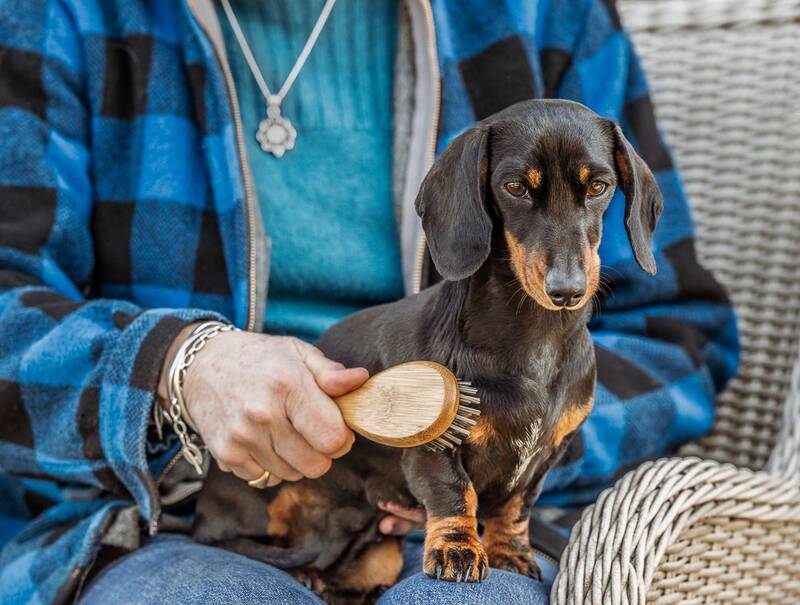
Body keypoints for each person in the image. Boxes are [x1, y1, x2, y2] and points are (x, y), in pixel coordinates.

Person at [0, 0, 739, 603]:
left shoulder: (546, 14)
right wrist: (172, 366)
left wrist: (500, 444)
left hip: (475, 510)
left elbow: (677, 333)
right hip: (173, 509)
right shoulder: (59, 15)